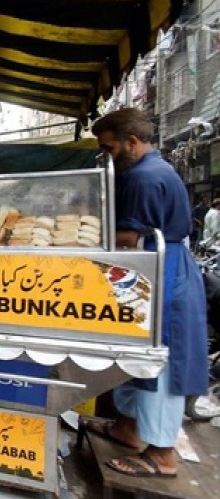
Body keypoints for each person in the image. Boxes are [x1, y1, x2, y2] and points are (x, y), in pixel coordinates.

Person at [86, 107, 208, 478]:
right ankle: (130, 428)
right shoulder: (152, 170)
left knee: (158, 359)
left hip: (164, 272)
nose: (107, 156)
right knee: (137, 352)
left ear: (132, 143)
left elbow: (125, 235)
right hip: (153, 269)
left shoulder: (142, 178)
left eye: (109, 148)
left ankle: (162, 454)